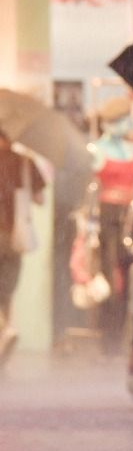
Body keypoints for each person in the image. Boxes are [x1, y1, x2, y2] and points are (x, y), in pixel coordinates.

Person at [92, 96, 133, 355]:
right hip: (107, 218)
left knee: (132, 277)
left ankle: (127, 338)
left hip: (131, 218)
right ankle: (108, 339)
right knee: (111, 278)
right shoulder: (99, 149)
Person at [0, 129, 46, 366]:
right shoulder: (25, 162)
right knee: (8, 284)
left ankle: (5, 329)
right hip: (13, 232)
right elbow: (40, 199)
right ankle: (8, 326)